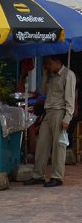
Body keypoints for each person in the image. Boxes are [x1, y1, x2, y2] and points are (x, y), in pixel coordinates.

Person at [25, 54, 76, 187]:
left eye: (50, 63)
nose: (48, 66)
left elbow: (70, 99)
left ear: (58, 62)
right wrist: (45, 75)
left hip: (60, 112)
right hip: (48, 112)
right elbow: (43, 91)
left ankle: (57, 176)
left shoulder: (68, 75)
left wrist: (67, 118)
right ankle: (38, 174)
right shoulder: (51, 76)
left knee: (58, 147)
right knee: (42, 144)